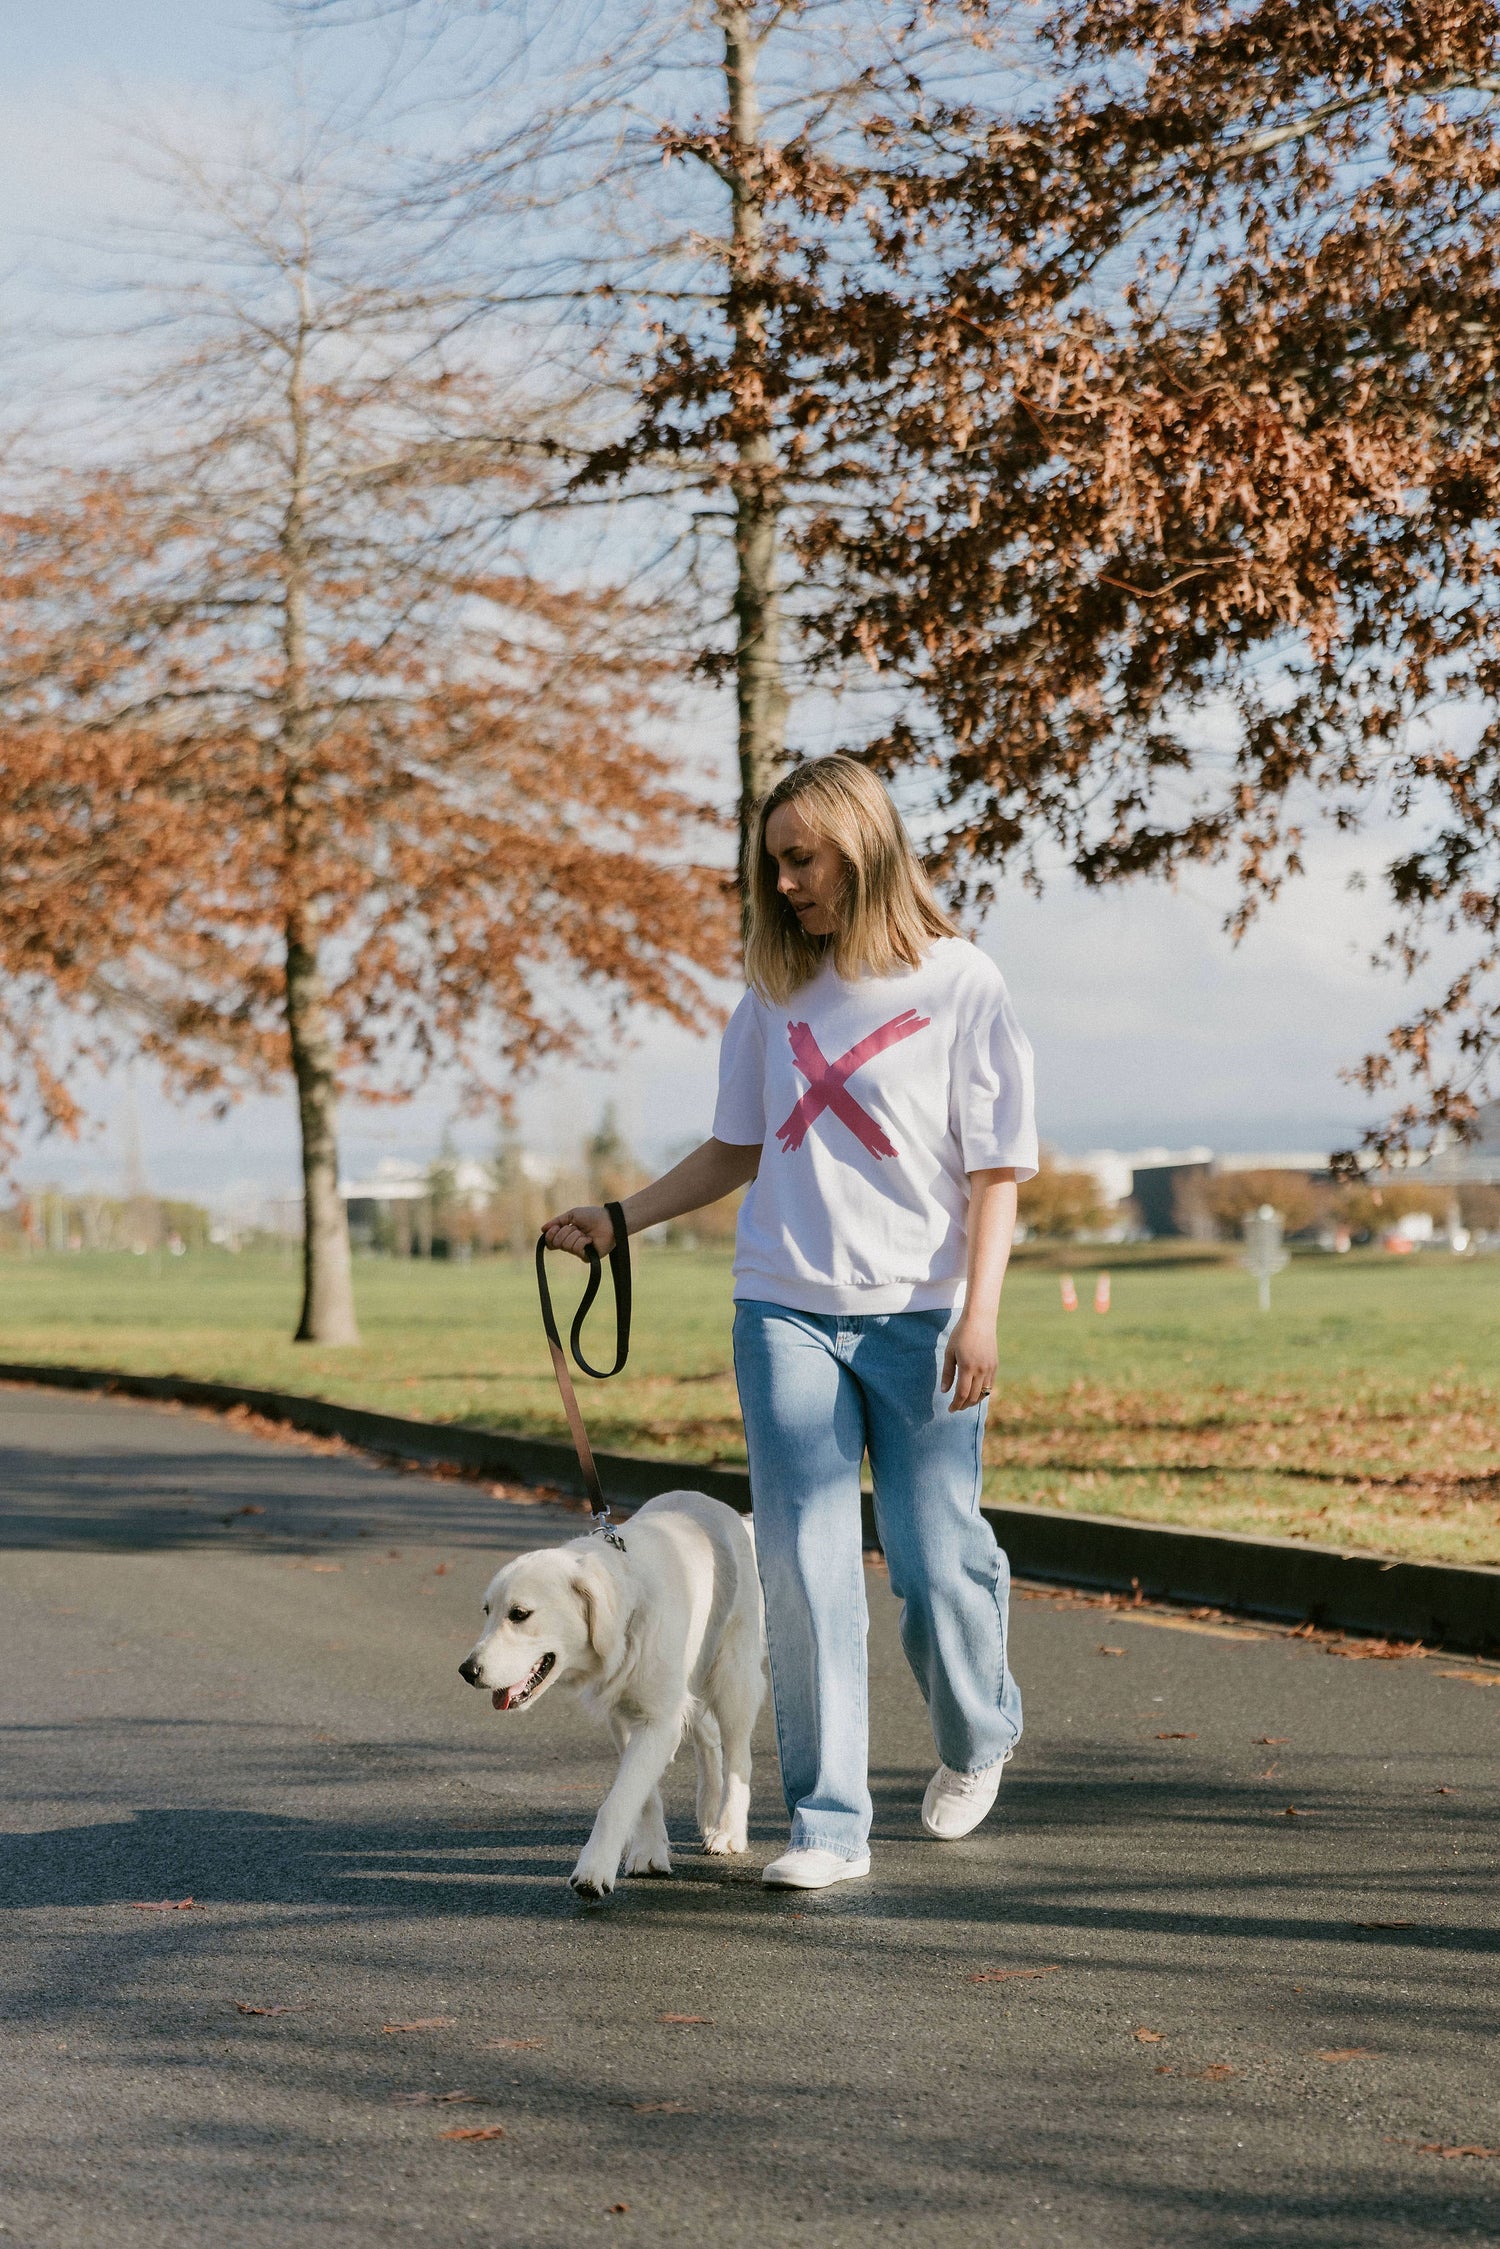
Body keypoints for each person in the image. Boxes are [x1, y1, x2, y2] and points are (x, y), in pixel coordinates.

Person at [543, 754, 1037, 1890]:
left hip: (922, 1317)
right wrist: (625, 1217)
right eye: (775, 864)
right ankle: (828, 1821)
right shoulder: (770, 996)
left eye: (802, 857)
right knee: (805, 1573)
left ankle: (981, 1726)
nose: (787, 882)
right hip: (785, 1311)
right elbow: (737, 1146)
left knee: (932, 1563)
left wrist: (982, 1315)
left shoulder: (962, 983)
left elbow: (998, 1173)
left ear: (863, 848)